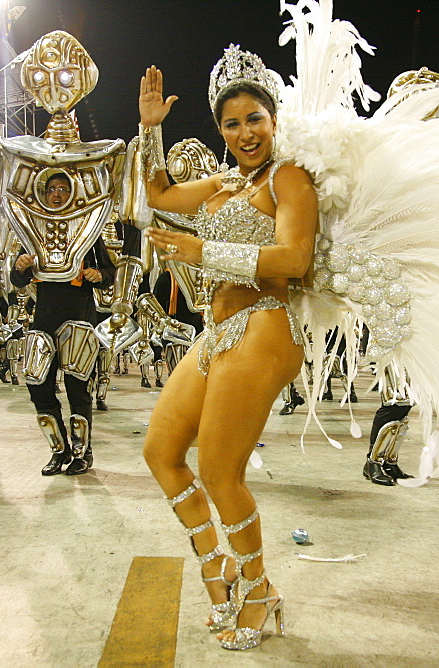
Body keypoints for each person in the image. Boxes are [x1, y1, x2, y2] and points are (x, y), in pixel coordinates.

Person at [139, 49, 315, 649]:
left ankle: (260, 588)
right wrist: (150, 129)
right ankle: (217, 566)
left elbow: (295, 261)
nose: (245, 133)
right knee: (161, 451)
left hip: (267, 324)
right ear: (220, 131)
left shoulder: (287, 178)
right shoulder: (223, 183)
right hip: (217, 332)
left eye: (255, 118)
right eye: (232, 123)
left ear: (274, 118)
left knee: (219, 471)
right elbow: (159, 193)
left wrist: (203, 254)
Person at [10, 173, 116, 475]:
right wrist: (21, 268)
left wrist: (99, 274)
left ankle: (83, 454)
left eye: (64, 189)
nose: (57, 194)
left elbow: (110, 270)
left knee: (77, 389)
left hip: (80, 317)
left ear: (74, 193)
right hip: (43, 319)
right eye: (52, 189)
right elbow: (18, 279)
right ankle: (59, 451)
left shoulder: (88, 231)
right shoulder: (33, 232)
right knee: (37, 386)